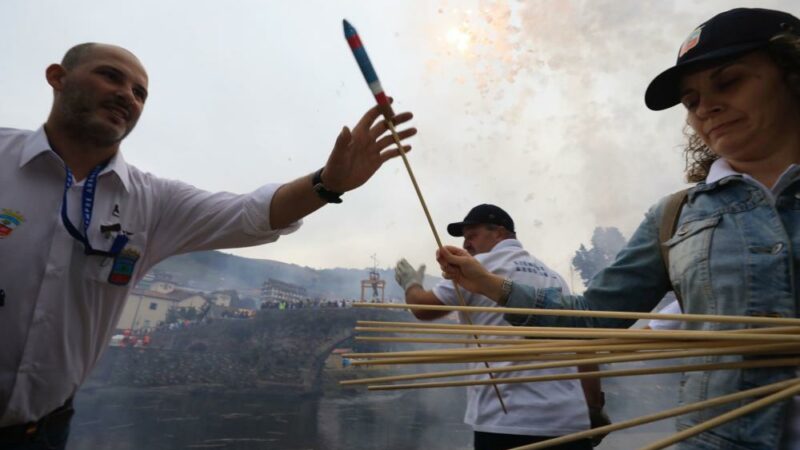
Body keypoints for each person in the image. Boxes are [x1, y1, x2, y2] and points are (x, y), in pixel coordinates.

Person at [0, 42, 416, 449]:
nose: (126, 94)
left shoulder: (151, 202)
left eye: (139, 92)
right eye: (110, 75)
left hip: (43, 431)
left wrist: (328, 183)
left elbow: (248, 214)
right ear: (57, 77)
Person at [435, 7, 800, 449]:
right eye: (691, 100)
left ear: (791, 74)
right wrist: (489, 284)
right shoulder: (677, 217)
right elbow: (590, 319)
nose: (707, 107)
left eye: (729, 81)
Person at [394, 204, 593, 450]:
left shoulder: (480, 266)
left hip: (508, 423)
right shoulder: (555, 277)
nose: (466, 245)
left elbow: (423, 308)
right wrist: (593, 407)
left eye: (472, 236)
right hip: (570, 422)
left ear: (498, 233)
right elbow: (584, 344)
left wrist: (410, 283)